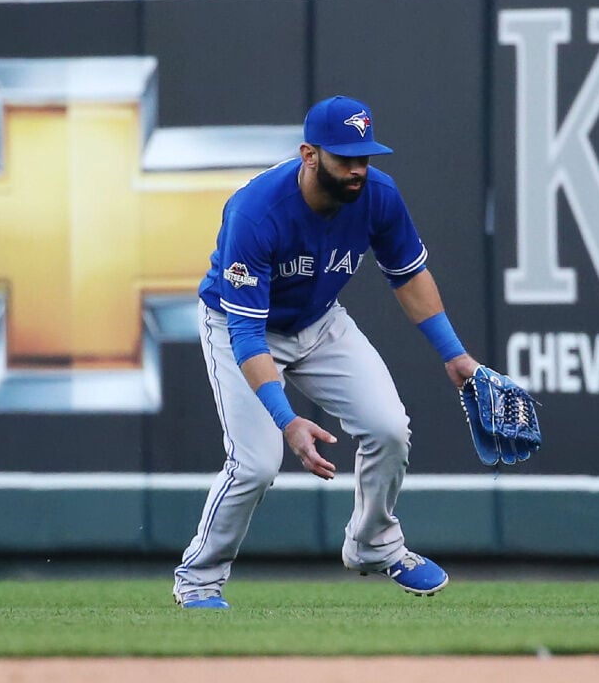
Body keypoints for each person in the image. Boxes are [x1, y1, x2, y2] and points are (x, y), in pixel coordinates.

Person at [173, 95, 480, 609]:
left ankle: (374, 543)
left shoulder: (378, 195)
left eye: (365, 156)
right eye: (345, 157)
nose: (358, 169)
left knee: (388, 428)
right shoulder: (255, 211)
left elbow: (409, 275)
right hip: (242, 328)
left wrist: (455, 355)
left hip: (319, 321)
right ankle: (198, 581)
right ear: (309, 154)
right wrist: (288, 421)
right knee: (255, 464)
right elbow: (248, 338)